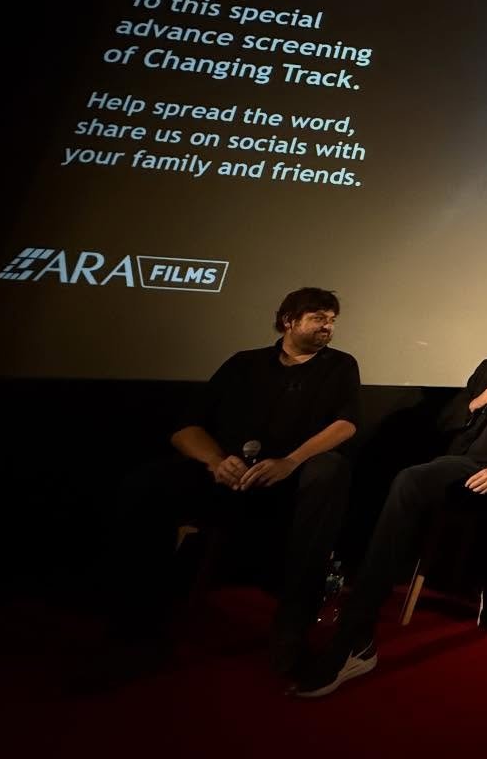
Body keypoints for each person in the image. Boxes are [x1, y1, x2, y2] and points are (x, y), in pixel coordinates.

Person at [293, 305, 487, 698]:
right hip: (467, 461)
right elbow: (449, 419)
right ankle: (356, 631)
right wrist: (474, 404)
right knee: (409, 480)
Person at [96, 287, 359, 683]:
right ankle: (134, 629)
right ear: (289, 320)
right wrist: (216, 462)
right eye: (319, 318)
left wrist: (290, 462)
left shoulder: (339, 366)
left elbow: (345, 424)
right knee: (145, 484)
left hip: (291, 486)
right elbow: (186, 427)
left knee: (330, 471)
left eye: (332, 320)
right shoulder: (243, 364)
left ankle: (291, 632)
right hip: (226, 477)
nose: (328, 327)